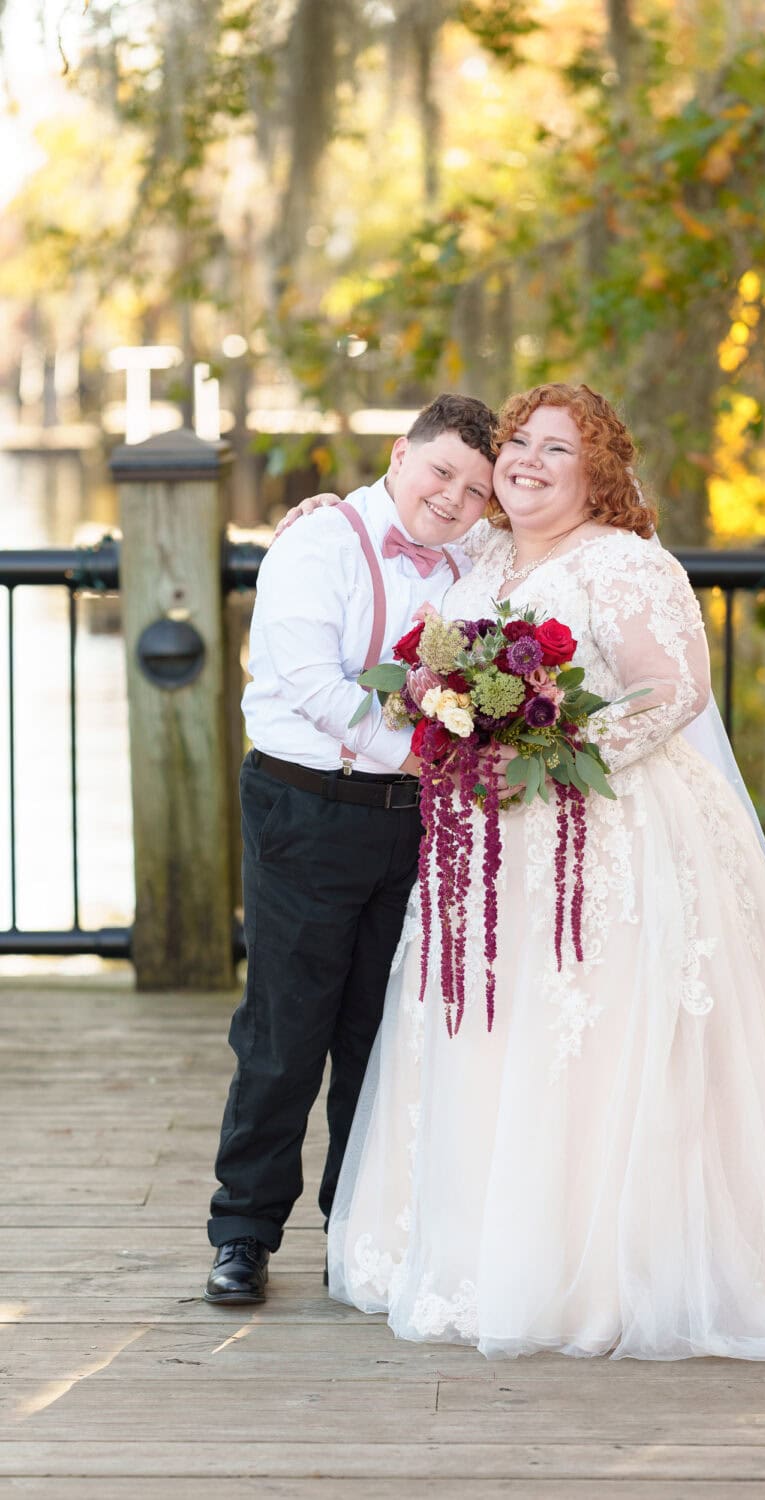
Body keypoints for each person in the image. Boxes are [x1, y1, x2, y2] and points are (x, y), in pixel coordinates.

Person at [297, 384, 765, 1361]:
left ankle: (609, 1263)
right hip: (487, 847)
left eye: (559, 449)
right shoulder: (483, 554)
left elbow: (672, 693)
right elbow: (403, 531)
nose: (529, 462)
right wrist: (327, 526)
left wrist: (542, 753)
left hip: (612, 834)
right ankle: (479, 1245)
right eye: (519, 444)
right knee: (497, 1036)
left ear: (598, 472)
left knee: (602, 1043)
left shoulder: (625, 565)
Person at [203, 393, 496, 1304]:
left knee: (381, 1034)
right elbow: (308, 683)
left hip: (420, 824)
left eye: (476, 489)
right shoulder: (319, 541)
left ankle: (356, 1230)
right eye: (442, 470)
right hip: (305, 808)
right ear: (401, 455)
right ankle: (244, 1232)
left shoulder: (481, 559)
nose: (452, 498)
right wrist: (426, 752)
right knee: (285, 1030)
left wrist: (437, 772)